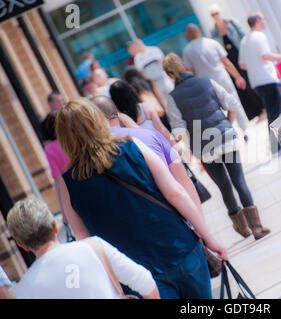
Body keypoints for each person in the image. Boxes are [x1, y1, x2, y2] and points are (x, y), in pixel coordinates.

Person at [55, 98, 228, 299]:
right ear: (96, 121)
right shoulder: (132, 146)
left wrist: (115, 287)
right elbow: (176, 193)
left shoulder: (67, 183)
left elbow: (84, 240)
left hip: (137, 275)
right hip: (180, 247)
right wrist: (209, 237)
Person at [163, 53, 271, 241]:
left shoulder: (172, 98)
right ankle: (257, 228)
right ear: (184, 67)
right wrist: (228, 124)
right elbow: (231, 103)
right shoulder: (207, 82)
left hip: (204, 145)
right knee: (239, 181)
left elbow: (179, 128)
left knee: (224, 186)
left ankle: (242, 228)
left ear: (169, 75)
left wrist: (186, 147)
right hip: (226, 137)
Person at [6, 197, 160, 299]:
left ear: (22, 245)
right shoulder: (93, 247)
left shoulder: (24, 290)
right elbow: (145, 282)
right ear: (55, 226)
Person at [90, 95, 202, 212]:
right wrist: (200, 221)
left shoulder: (94, 158)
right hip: (177, 209)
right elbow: (183, 180)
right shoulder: (149, 135)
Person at [183, 24, 250, 141]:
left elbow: (190, 72)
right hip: (222, 78)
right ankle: (245, 130)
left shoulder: (187, 51)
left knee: (216, 109)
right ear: (199, 31)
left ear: (188, 36)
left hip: (206, 85)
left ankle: (229, 132)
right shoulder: (212, 43)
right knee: (234, 102)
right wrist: (238, 76)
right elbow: (227, 62)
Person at [239, 12, 281, 152]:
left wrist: (255, 64)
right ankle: (276, 146)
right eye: (263, 19)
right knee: (274, 113)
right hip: (267, 79)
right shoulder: (259, 36)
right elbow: (266, 56)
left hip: (256, 82)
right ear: (257, 21)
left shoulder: (244, 40)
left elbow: (243, 65)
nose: (264, 22)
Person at [209, 4, 266, 122]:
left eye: (216, 13)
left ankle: (263, 108)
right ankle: (254, 113)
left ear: (220, 12)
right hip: (229, 62)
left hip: (240, 57)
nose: (215, 16)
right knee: (240, 86)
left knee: (249, 81)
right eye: (213, 15)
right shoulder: (213, 32)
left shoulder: (231, 23)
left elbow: (243, 37)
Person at [109, 80, 176, 146]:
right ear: (131, 92)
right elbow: (162, 130)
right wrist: (174, 145)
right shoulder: (146, 107)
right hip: (160, 145)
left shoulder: (119, 119)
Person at [132, 39, 174, 104]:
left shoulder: (154, 50)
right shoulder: (137, 58)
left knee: (174, 95)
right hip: (154, 83)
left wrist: (170, 76)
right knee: (166, 102)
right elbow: (141, 73)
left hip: (164, 77)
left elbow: (164, 62)